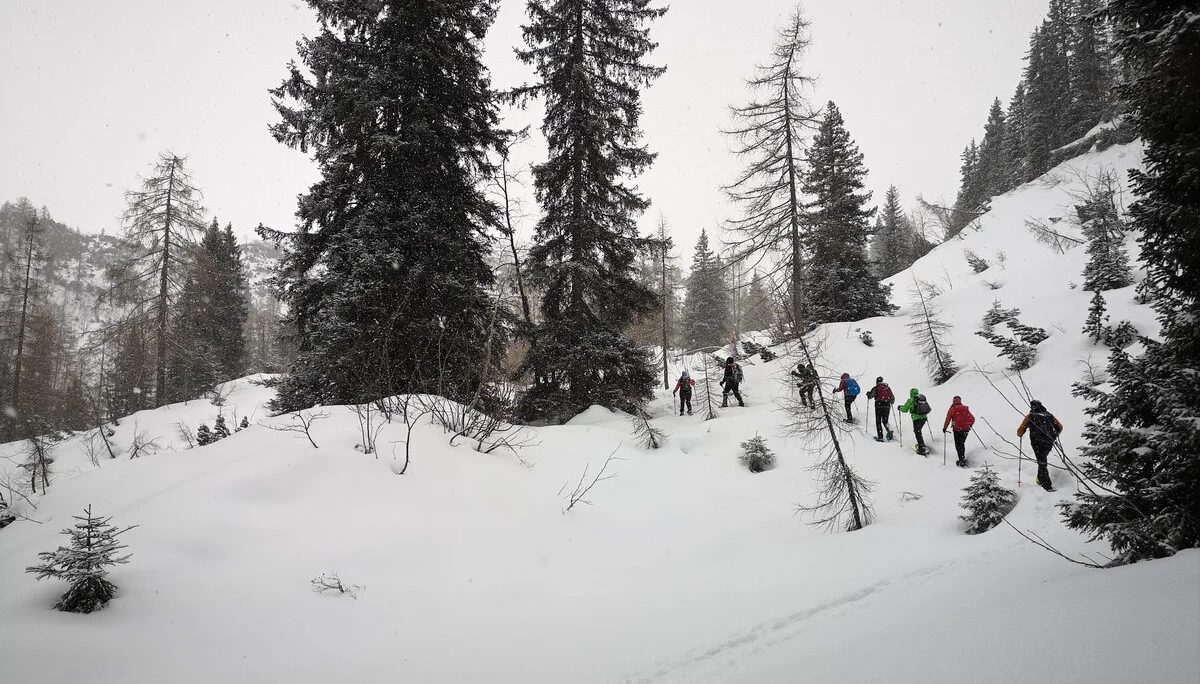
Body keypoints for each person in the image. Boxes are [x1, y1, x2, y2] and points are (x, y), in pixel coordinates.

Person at [1017, 399, 1063, 491]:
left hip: (1036, 443)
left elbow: (1020, 431)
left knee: (1042, 462)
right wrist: (1054, 436)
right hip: (1049, 442)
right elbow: (1060, 427)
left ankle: (1046, 485)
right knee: (1042, 460)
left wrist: (1020, 434)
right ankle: (1040, 479)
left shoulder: (1030, 416)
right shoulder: (1049, 416)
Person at [942, 395, 975, 468]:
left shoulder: (952, 408)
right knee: (961, 443)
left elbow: (948, 418)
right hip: (966, 430)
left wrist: (945, 427)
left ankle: (961, 460)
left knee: (958, 445)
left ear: (953, 401)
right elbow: (972, 418)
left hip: (957, 430)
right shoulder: (965, 408)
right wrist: (970, 425)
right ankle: (962, 458)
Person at [898, 388, 932, 455]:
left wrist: (900, 408)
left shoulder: (911, 400)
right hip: (924, 417)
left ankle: (922, 447)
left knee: (917, 432)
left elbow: (905, 410)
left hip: (916, 418)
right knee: (918, 431)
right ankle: (921, 444)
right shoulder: (921, 398)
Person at [865, 376, 895, 442]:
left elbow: (870, 396)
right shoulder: (887, 388)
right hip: (887, 406)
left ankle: (880, 437)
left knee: (878, 421)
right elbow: (892, 398)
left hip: (879, 406)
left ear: (877, 382)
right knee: (885, 421)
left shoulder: (876, 388)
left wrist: (868, 394)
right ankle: (889, 432)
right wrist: (889, 402)